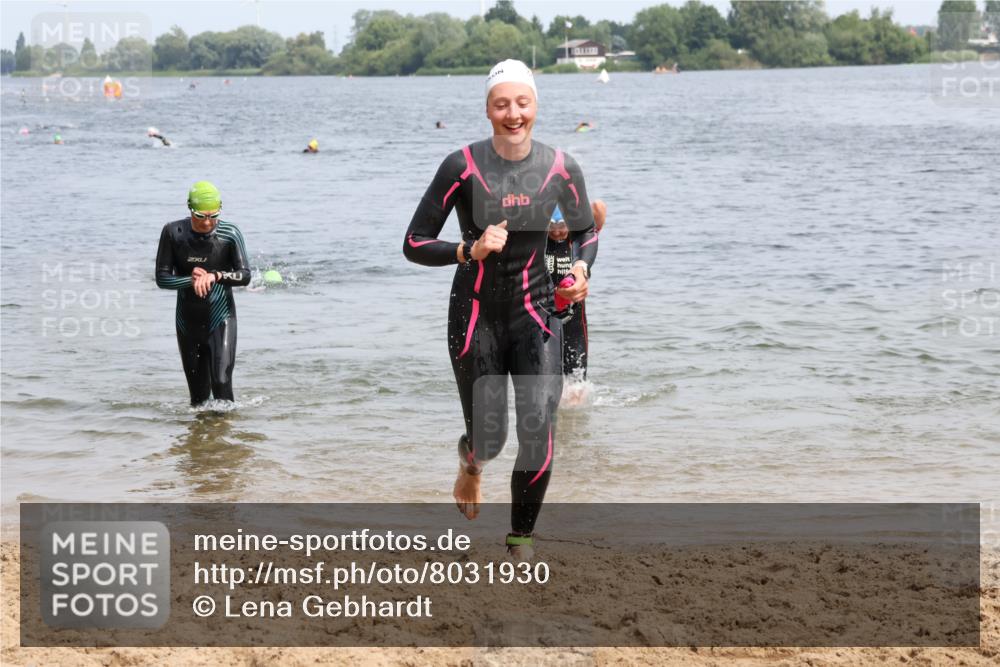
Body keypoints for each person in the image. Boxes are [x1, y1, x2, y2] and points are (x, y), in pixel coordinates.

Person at [403, 59, 598, 559]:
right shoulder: (461, 165)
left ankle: (520, 540)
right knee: (491, 439)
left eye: (522, 102)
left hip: (537, 316)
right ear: (488, 110)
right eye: (501, 104)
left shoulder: (560, 167)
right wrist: (468, 249)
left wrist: (579, 271)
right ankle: (471, 465)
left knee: (539, 431)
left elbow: (584, 232)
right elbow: (414, 241)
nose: (513, 113)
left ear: (536, 105)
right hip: (476, 315)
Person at [155, 181, 250, 406]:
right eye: (200, 216)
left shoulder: (230, 234)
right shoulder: (173, 233)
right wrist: (191, 280)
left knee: (221, 382)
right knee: (197, 398)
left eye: (213, 215)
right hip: (188, 321)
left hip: (221, 318)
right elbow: (162, 278)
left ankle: (224, 438)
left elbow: (245, 275)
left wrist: (215, 276)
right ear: (189, 209)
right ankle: (199, 440)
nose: (207, 222)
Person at [546, 200, 606, 395]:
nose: (557, 232)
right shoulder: (537, 242)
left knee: (576, 387)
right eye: (551, 227)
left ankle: (574, 424)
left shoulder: (577, 241)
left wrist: (575, 204)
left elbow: (599, 207)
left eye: (562, 226)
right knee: (544, 385)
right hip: (543, 317)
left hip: (574, 320)